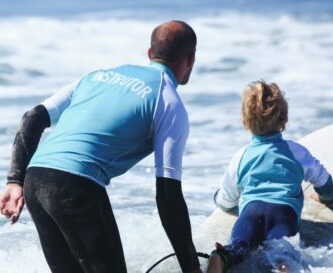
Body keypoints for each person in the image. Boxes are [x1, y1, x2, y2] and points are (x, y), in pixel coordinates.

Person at [0, 20, 202, 273]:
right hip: (75, 186)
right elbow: (168, 197)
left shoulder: (98, 75)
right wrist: (192, 267)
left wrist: (14, 181)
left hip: (35, 180)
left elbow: (32, 118)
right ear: (191, 59)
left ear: (150, 53)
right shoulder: (168, 102)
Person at [207, 80, 333, 273]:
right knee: (280, 250)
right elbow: (323, 180)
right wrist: (328, 198)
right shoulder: (295, 151)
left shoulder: (241, 156)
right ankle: (283, 266)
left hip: (250, 212)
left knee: (240, 246)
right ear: (284, 119)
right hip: (283, 214)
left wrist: (221, 201)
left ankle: (222, 257)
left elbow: (227, 200)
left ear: (245, 121)